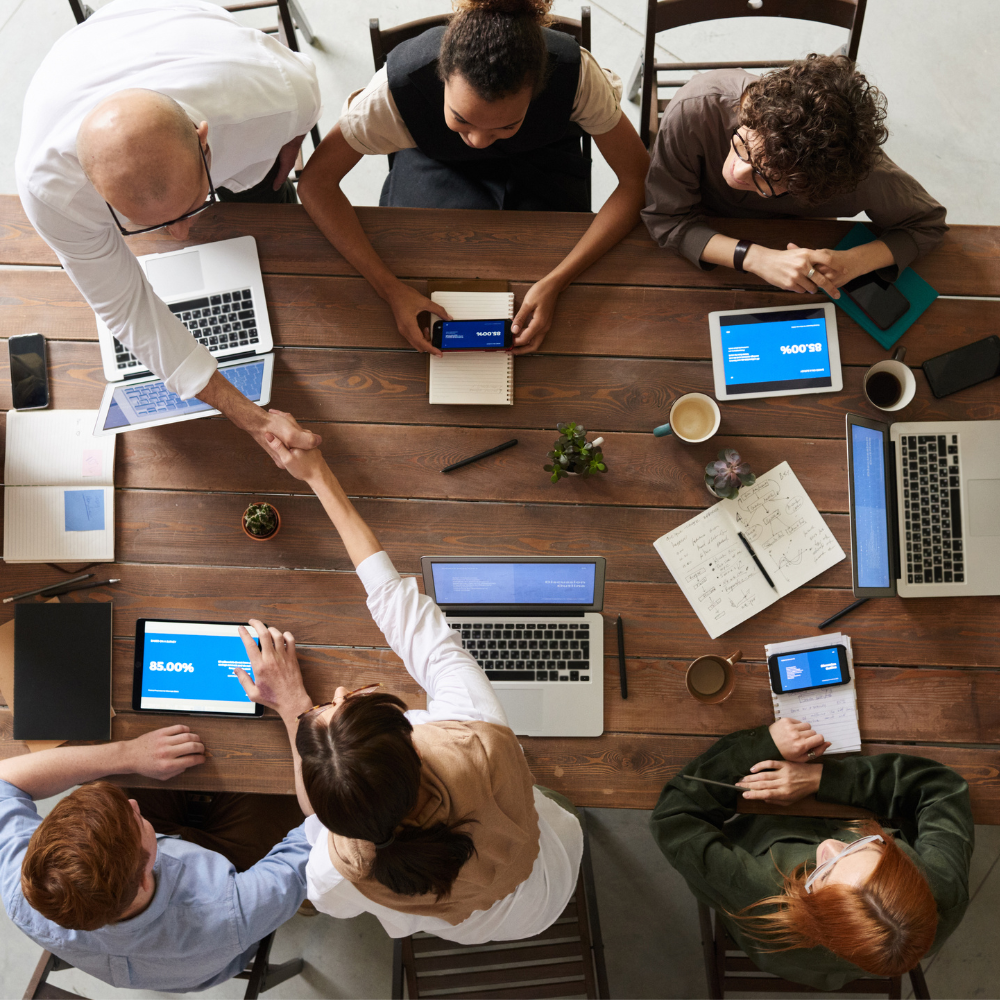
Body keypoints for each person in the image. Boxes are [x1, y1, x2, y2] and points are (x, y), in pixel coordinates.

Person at [231, 417, 583, 942]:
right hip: (546, 874)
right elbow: (400, 607)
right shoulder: (473, 731)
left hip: (490, 922)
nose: (340, 693)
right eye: (346, 703)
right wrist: (319, 474)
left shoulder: (335, 869)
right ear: (409, 743)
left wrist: (292, 707)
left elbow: (316, 810)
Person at [15, 0, 323, 463]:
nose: (180, 235)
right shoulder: (48, 191)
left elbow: (306, 105)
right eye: (148, 223)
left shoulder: (277, 98)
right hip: (88, 59)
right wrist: (253, 417)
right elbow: (128, 309)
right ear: (92, 188)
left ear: (204, 140)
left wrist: (293, 135)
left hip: (201, 56)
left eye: (191, 208)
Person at [298, 0, 649, 356]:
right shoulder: (393, 92)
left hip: (543, 160)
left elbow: (637, 179)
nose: (479, 141)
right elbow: (315, 184)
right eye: (461, 119)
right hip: (436, 162)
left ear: (539, 87)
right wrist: (389, 288)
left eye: (506, 123)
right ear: (441, 75)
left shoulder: (577, 76)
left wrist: (559, 279)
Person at [649, 719, 973, 990]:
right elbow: (942, 789)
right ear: (909, 871)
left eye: (824, 872)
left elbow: (674, 819)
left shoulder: (758, 890)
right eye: (863, 845)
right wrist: (823, 779)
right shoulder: (940, 894)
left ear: (812, 908)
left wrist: (762, 746)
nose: (828, 846)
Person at [0, 725, 309, 992]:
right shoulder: (231, 911)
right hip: (223, 914)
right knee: (273, 787)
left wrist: (128, 754)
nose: (134, 804)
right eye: (137, 819)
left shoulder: (26, 891)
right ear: (145, 877)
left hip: (169, 958)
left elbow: (3, 782)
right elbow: (319, 827)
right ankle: (310, 907)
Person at [641, 55, 948, 298]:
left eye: (768, 177)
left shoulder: (861, 176)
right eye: (744, 145)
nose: (737, 171)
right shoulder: (696, 109)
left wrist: (852, 263)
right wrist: (754, 258)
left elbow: (927, 223)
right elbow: (668, 217)